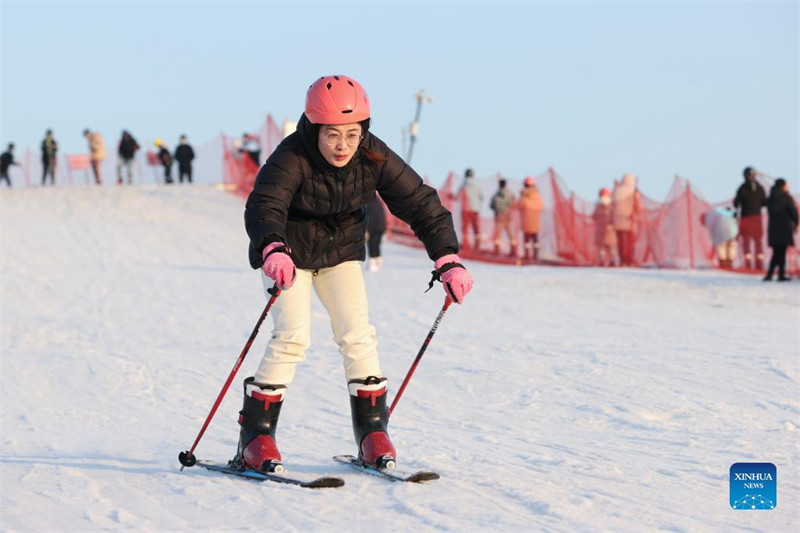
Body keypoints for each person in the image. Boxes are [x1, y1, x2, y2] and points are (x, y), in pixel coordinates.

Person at [240, 75, 473, 473]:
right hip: (288, 255)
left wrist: (447, 257)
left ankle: (372, 433)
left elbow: (419, 201)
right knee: (294, 336)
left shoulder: (372, 154)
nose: (343, 145)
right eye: (332, 135)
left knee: (358, 334)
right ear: (314, 129)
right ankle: (257, 437)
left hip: (341, 252)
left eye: (352, 134)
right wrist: (272, 247)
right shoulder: (291, 156)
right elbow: (265, 203)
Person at [763, 178, 798, 281]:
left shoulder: (770, 199)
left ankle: (770, 274)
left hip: (773, 228)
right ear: (783, 186)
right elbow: (793, 211)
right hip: (784, 228)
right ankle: (780, 275)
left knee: (776, 252)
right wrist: (796, 223)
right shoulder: (786, 197)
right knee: (781, 253)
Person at [733, 167, 767, 270]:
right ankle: (759, 265)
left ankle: (748, 265)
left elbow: (736, 203)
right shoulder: (760, 187)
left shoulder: (742, 188)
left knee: (747, 242)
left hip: (746, 218)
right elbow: (764, 203)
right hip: (757, 219)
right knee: (758, 242)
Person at [612, 173, 642, 266]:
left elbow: (612, 204)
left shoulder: (616, 191)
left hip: (617, 219)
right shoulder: (633, 191)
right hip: (629, 219)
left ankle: (622, 260)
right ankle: (628, 260)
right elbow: (639, 207)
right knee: (629, 241)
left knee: (620, 241)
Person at [518, 176, 543, 261]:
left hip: (526, 219)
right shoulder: (537, 194)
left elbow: (521, 205)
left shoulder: (524, 195)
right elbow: (540, 206)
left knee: (527, 238)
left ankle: (527, 255)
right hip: (535, 219)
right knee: (535, 237)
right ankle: (536, 255)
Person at [490, 179, 517, 256]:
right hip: (508, 217)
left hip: (499, 217)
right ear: (505, 185)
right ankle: (513, 251)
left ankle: (497, 251)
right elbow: (512, 204)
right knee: (511, 235)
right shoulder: (509, 194)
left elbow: (491, 206)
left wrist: (498, 209)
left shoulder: (495, 195)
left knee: (498, 235)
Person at [458, 168, 483, 250]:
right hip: (475, 209)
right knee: (476, 228)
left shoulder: (463, 185)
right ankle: (477, 246)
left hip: (466, 210)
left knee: (465, 229)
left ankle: (465, 246)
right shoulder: (477, 185)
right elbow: (481, 197)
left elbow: (457, 196)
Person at [592, 188, 617, 266]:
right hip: (610, 229)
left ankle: (602, 260)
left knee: (601, 247)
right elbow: (614, 217)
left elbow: (594, 216)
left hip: (600, 229)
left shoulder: (598, 206)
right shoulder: (612, 206)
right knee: (611, 246)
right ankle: (612, 260)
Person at [366, 195, 386, 272]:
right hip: (380, 227)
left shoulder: (369, 203)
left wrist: (367, 230)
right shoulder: (377, 202)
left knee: (372, 245)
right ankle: (377, 263)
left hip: (374, 227)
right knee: (376, 244)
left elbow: (370, 217)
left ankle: (373, 264)